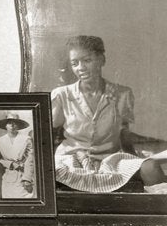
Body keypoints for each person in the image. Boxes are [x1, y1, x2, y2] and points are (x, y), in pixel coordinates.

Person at [51, 35, 167, 193]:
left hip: (109, 159)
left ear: (101, 60)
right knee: (53, 173)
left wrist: (145, 155)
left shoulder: (122, 94)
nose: (80, 68)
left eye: (87, 60)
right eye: (74, 63)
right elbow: (45, 134)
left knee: (150, 167)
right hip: (71, 159)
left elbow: (124, 135)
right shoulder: (62, 95)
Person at [0, 112, 35, 198]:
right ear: (5, 125)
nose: (12, 125)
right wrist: (10, 164)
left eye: (15, 123)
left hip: (22, 176)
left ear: (18, 125)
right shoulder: (0, 141)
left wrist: (27, 179)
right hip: (7, 177)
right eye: (9, 123)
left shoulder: (26, 139)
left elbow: (30, 160)